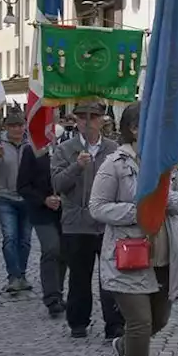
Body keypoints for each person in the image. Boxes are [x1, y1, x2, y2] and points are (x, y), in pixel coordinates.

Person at [90, 102, 178, 356]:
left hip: (164, 255)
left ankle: (124, 346)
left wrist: (163, 202)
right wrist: (140, 211)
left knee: (159, 320)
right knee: (140, 322)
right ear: (134, 128)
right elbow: (97, 207)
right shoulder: (115, 163)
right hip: (129, 257)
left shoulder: (168, 160)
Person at [52, 101, 124, 339]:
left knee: (110, 277)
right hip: (77, 223)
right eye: (82, 117)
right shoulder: (65, 149)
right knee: (80, 277)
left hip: (106, 223)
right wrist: (77, 166)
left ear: (102, 120)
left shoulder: (114, 149)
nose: (87, 122)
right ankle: (78, 322)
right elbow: (57, 184)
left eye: (93, 117)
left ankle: (114, 324)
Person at [0, 113, 34, 293]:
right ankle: (13, 277)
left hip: (27, 198)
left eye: (20, 125)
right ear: (6, 128)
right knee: (10, 237)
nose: (17, 129)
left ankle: (22, 274)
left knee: (25, 240)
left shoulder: (31, 143)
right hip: (5, 197)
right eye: (13, 126)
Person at [17, 137, 66, 319]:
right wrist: (43, 199)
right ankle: (51, 297)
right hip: (41, 210)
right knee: (51, 248)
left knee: (64, 252)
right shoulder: (32, 150)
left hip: (65, 210)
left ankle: (58, 292)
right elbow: (22, 185)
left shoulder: (69, 147)